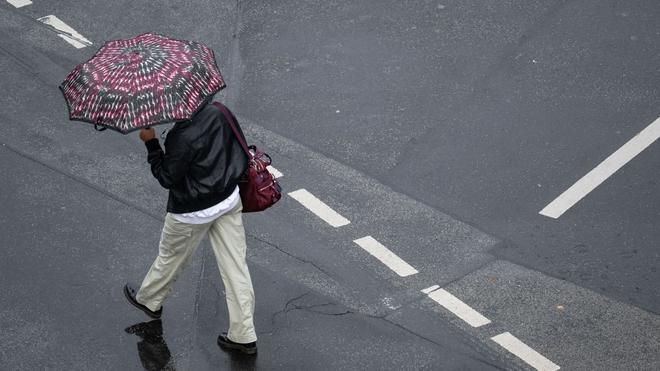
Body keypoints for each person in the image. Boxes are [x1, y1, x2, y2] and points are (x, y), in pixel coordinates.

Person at [123, 101, 258, 355]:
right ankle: (244, 335)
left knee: (171, 258)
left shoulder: (180, 136)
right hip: (228, 200)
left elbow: (167, 177)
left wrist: (151, 143)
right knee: (236, 267)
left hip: (191, 212)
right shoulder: (220, 111)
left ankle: (150, 300)